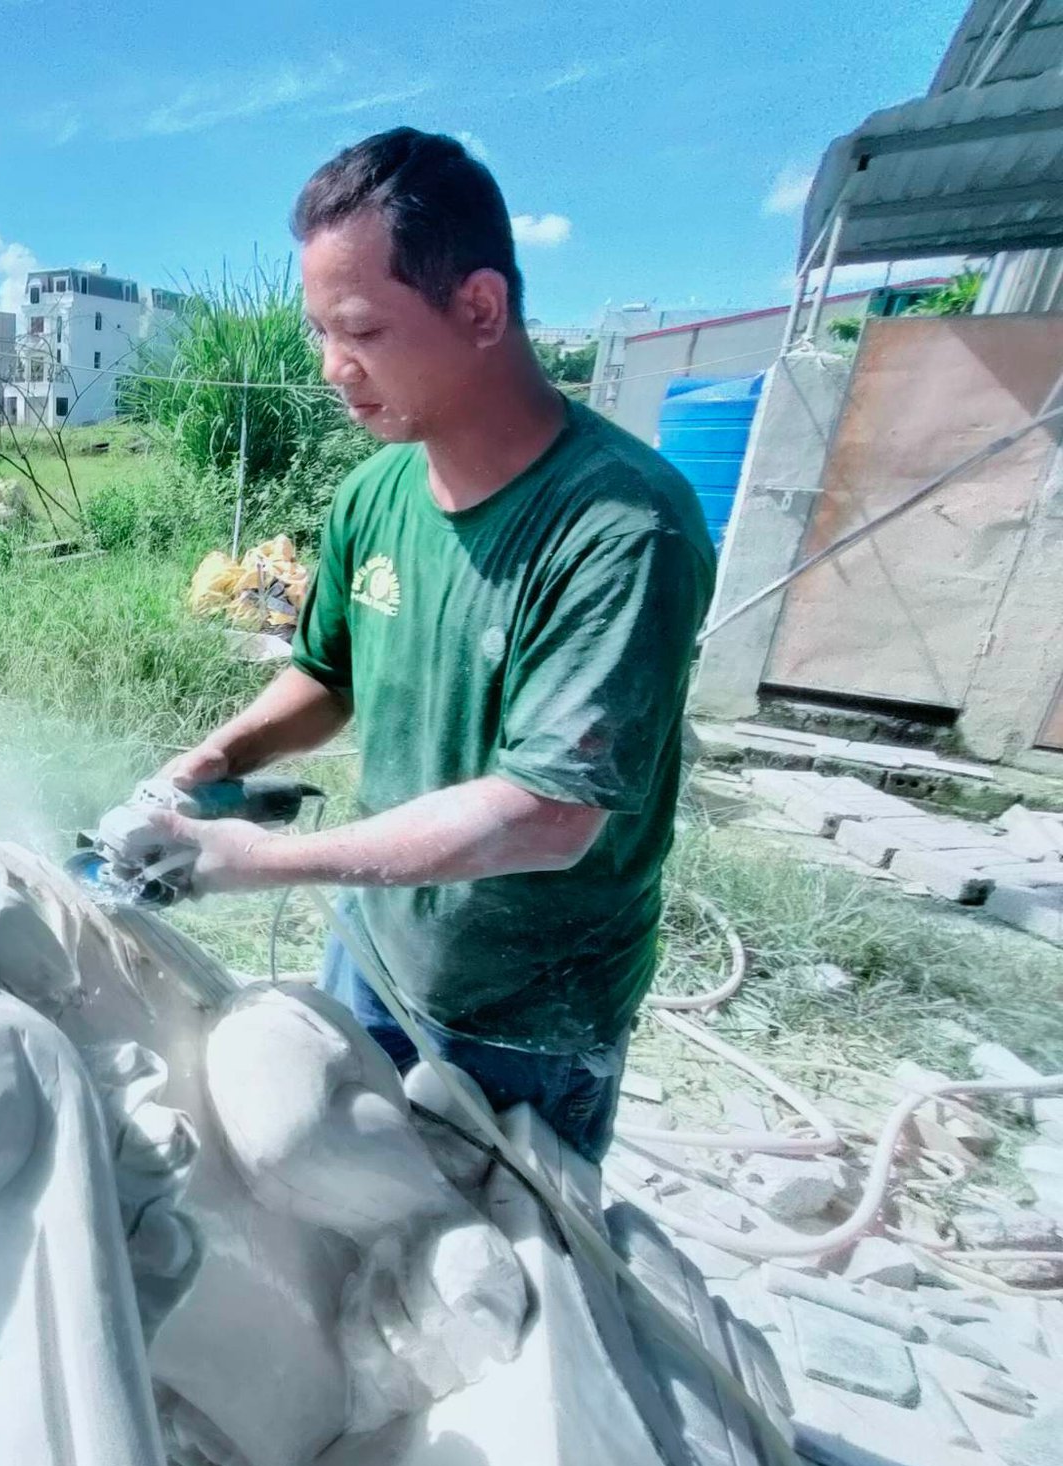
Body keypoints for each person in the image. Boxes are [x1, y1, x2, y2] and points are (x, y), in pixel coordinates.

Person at [151, 128, 715, 1161]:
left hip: (524, 1018)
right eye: (319, 332)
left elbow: (546, 818)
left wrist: (264, 861)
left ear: (479, 308)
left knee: (494, 1287)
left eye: (359, 329)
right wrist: (218, 760)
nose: (331, 368)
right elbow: (328, 674)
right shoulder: (373, 491)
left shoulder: (620, 525)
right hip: (374, 947)